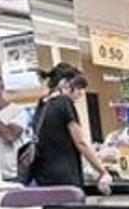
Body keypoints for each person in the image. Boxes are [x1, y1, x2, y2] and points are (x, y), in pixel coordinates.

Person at [28, 62, 113, 195]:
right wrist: (102, 171)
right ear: (65, 84)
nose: (80, 94)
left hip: (44, 177)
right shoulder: (63, 102)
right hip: (64, 178)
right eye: (78, 88)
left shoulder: (42, 105)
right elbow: (81, 143)